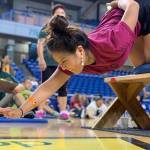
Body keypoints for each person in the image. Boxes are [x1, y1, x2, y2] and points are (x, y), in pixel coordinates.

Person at [1, 0, 150, 118]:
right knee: (142, 71)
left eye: (64, 61)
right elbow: (47, 87)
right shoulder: (76, 58)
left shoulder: (113, 42)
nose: (63, 67)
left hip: (136, 9)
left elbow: (133, 5)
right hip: (125, 25)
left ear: (80, 51)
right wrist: (21, 111)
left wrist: (117, 3)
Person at [37, 4, 69, 120]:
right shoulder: (47, 28)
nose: (60, 14)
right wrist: (41, 59)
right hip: (48, 63)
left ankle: (63, 112)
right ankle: (40, 110)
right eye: (58, 13)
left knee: (63, 88)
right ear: (53, 16)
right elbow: (40, 44)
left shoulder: (67, 30)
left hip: (63, 63)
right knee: (44, 87)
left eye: (62, 13)